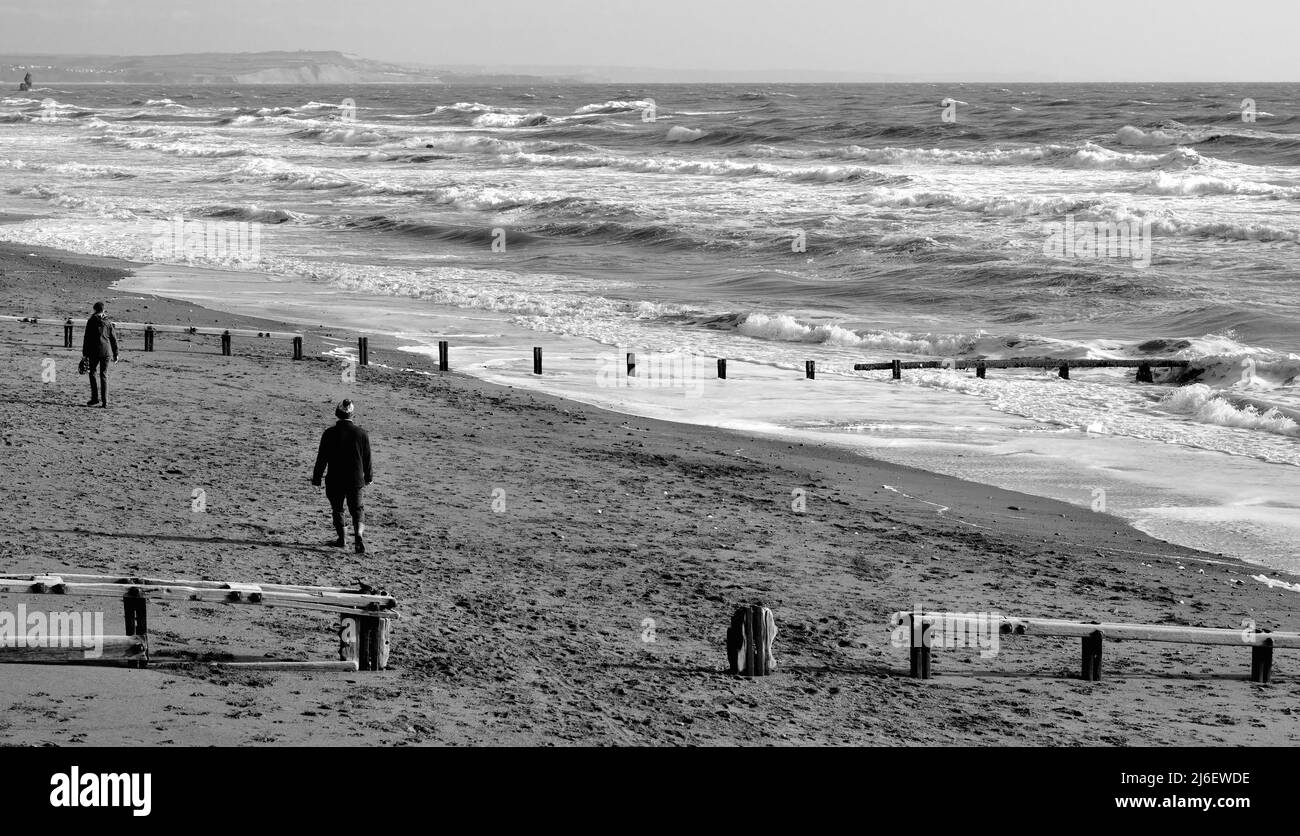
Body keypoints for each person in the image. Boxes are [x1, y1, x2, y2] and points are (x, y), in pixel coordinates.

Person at [311, 399, 373, 554]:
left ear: (337, 413)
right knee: (357, 509)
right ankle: (358, 535)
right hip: (355, 479)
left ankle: (342, 539)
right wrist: (369, 477)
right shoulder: (362, 434)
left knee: (338, 509)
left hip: (335, 479)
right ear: (352, 414)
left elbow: (322, 458)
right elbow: (367, 459)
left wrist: (316, 478)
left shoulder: (329, 433)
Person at [81, 301, 118, 408]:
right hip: (106, 352)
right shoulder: (108, 322)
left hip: (94, 351)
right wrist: (116, 353)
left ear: (94, 309)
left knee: (92, 372)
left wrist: (85, 353)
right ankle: (105, 402)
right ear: (103, 310)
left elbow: (86, 338)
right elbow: (113, 339)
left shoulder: (91, 321)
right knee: (104, 375)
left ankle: (95, 398)